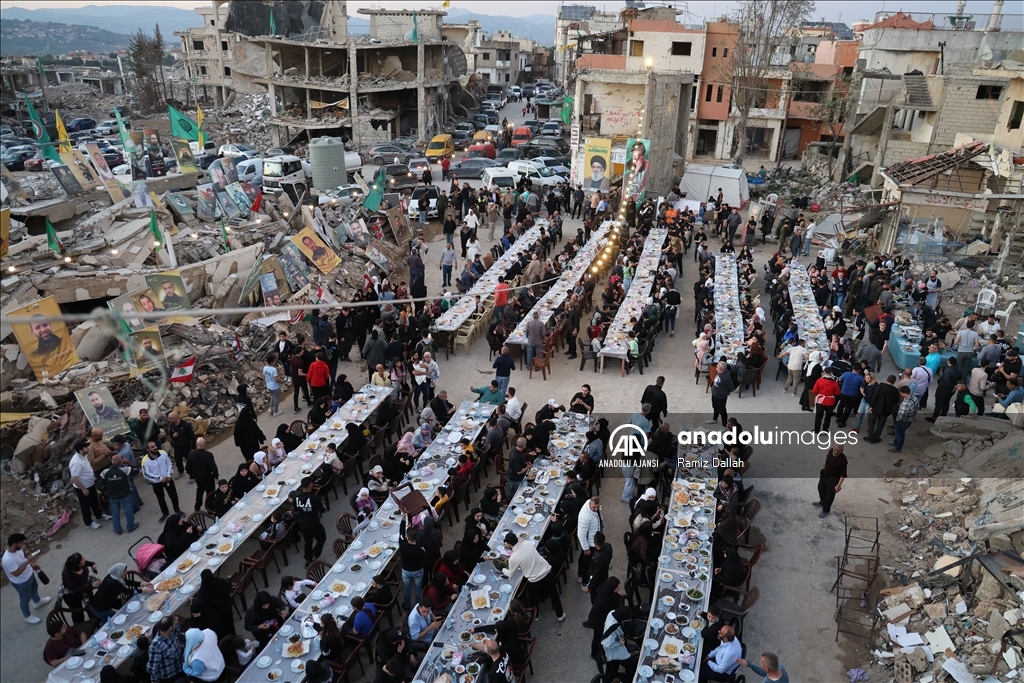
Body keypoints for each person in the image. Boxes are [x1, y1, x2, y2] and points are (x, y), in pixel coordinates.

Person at [502, 532, 564, 620]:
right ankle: (560, 615)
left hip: (534, 579)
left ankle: (536, 616)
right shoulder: (527, 544)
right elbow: (523, 544)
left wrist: (503, 570)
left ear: (508, 544)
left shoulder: (513, 558)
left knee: (533, 599)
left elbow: (511, 574)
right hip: (546, 572)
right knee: (554, 594)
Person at [4, 533, 50, 624]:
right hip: (21, 582)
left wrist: (32, 565)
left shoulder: (17, 550)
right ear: (14, 544)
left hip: (29, 575)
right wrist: (29, 560)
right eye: (21, 543)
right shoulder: (8, 560)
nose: (23, 545)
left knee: (34, 588)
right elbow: (16, 573)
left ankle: (37, 601)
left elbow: (23, 560)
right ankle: (27, 616)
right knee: (25, 599)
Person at [142, 440, 181, 522]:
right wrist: (159, 478)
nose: (155, 448)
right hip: (157, 483)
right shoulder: (145, 460)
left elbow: (169, 463)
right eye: (152, 447)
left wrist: (169, 474)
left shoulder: (163, 453)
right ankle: (165, 513)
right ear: (148, 450)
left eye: (155, 445)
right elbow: (146, 474)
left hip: (168, 479)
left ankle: (177, 510)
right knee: (160, 498)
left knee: (173, 495)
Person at [100, 454, 137, 535]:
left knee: (115, 512)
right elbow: (136, 470)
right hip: (125, 494)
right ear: (120, 461)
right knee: (128, 510)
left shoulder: (105, 472)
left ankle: (117, 529)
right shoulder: (126, 470)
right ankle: (131, 526)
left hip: (112, 496)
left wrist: (103, 494)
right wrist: (129, 463)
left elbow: (101, 485)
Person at [294, 477, 326, 566]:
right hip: (314, 523)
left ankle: (307, 558)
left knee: (308, 541)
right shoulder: (315, 498)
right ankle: (315, 555)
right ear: (311, 485)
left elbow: (296, 510)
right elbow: (322, 510)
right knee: (321, 538)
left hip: (302, 524)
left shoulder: (297, 498)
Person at [147, 616, 184, 683]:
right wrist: (155, 680)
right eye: (174, 624)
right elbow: (153, 667)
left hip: (179, 667)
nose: (175, 625)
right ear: (170, 628)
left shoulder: (171, 633)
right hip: (169, 676)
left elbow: (177, 633)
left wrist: (177, 624)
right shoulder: (156, 646)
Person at [399, 523, 427, 611]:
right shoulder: (420, 550)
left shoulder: (402, 545)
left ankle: (407, 605)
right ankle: (417, 606)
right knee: (418, 588)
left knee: (407, 589)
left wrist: (403, 519)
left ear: (407, 537)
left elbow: (401, 532)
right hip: (417, 570)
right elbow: (424, 563)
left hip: (406, 571)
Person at [577, 496, 603, 588]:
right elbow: (581, 534)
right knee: (588, 565)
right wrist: (586, 548)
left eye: (598, 507)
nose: (596, 509)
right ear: (590, 505)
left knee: (583, 559)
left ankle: (580, 575)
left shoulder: (592, 506)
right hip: (590, 544)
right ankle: (584, 583)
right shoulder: (585, 516)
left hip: (592, 539)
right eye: (594, 508)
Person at [811, 366, 841, 433]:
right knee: (828, 417)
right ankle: (825, 430)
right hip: (830, 402)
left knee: (818, 416)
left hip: (821, 401)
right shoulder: (834, 383)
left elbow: (814, 391)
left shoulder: (819, 380)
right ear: (831, 373)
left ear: (824, 372)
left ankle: (816, 430)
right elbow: (837, 393)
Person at [167, 411, 195, 477]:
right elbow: (170, 434)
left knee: (189, 461)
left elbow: (192, 436)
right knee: (178, 460)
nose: (169, 420)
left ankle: (192, 474)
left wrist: (193, 447)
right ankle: (180, 471)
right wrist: (173, 436)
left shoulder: (185, 425)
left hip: (186, 446)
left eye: (170, 418)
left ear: (176, 418)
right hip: (177, 446)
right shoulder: (172, 425)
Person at [891, 386, 918, 453]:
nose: (901, 395)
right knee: (898, 433)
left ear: (904, 393)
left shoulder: (905, 404)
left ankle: (897, 448)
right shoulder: (914, 398)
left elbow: (902, 415)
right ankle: (895, 443)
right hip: (909, 419)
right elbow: (916, 408)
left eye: (901, 393)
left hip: (902, 421)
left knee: (900, 434)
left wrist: (897, 420)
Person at [707, 361, 734, 427]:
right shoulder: (719, 372)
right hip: (714, 394)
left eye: (718, 366)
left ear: (721, 368)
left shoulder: (727, 377)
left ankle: (724, 426)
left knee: (722, 411)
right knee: (715, 407)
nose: (716, 366)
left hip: (721, 396)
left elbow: (731, 387)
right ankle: (715, 419)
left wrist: (728, 391)